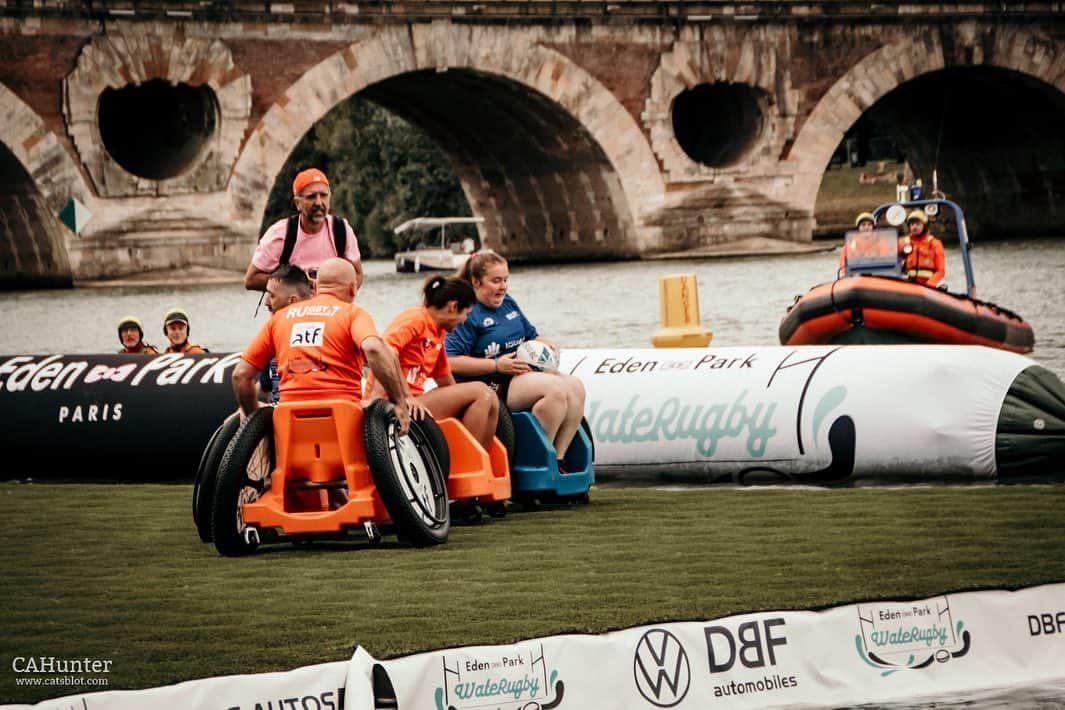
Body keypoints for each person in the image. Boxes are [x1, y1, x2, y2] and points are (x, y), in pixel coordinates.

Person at [231, 258, 411, 435]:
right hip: (343, 421)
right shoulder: (352, 314)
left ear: (315, 286)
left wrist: (254, 427)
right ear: (353, 288)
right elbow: (374, 349)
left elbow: (240, 375)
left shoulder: (279, 318)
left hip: (290, 425)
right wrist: (400, 403)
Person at [445, 250, 586, 464]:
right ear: (476, 282)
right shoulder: (467, 312)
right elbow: (450, 361)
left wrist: (547, 343)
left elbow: (532, 334)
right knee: (555, 391)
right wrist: (496, 365)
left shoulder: (508, 302)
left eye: (505, 280)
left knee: (575, 387)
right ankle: (536, 461)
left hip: (522, 373)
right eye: (495, 281)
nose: (503, 287)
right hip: (493, 383)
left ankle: (558, 459)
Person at [368, 275, 499, 451]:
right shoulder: (415, 319)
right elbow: (384, 352)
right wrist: (404, 397)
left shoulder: (438, 333)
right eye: (466, 314)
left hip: (418, 403)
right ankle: (464, 460)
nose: (465, 321)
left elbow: (446, 381)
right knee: (481, 392)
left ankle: (481, 460)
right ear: (453, 307)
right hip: (394, 403)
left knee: (489, 398)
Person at [243, 168, 364, 293]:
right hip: (293, 308)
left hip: (331, 307)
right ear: (297, 203)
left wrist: (339, 295)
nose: (318, 202)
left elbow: (358, 275)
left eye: (323, 195)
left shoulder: (341, 229)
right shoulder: (280, 234)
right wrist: (297, 283)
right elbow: (251, 280)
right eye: (311, 197)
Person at [838, 211, 897, 276]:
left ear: (873, 227)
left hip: (877, 276)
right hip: (856, 276)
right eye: (863, 225)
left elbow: (885, 260)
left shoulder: (881, 243)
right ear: (858, 228)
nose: (866, 227)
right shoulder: (850, 245)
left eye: (869, 225)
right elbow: (843, 264)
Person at [899, 208, 946, 286]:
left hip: (927, 284)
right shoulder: (902, 242)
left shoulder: (934, 243)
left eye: (917, 224)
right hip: (908, 284)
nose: (914, 227)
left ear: (924, 226)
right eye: (912, 224)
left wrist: (929, 285)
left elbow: (940, 271)